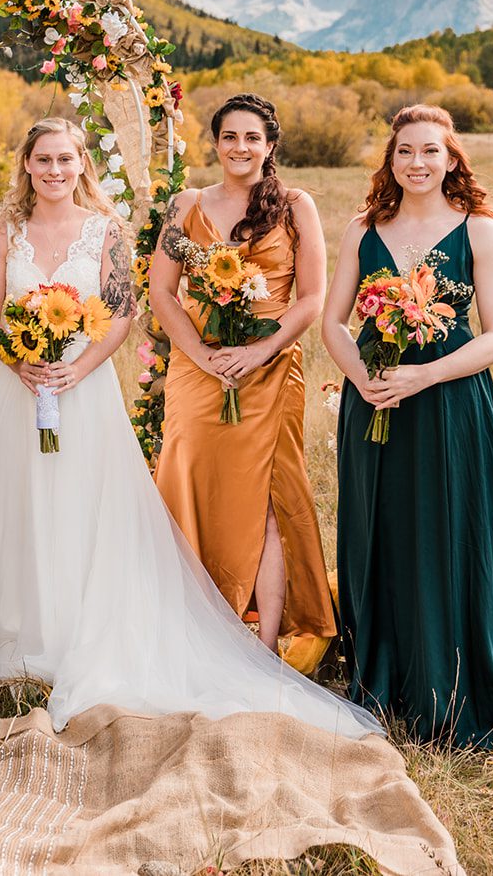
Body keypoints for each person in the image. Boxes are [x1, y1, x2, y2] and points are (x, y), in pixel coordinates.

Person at [0, 118, 381, 738]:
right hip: (22, 390)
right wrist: (19, 356)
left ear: (83, 165)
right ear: (25, 164)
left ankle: (141, 628)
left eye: (65, 159)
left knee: (90, 505)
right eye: (42, 160)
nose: (53, 170)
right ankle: (26, 632)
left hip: (96, 387)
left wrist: (75, 367)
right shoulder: (1, 234)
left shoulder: (109, 231)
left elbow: (122, 312)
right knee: (19, 504)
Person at [320, 104, 493, 748]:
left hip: (449, 402)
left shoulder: (480, 231)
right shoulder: (363, 228)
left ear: (451, 158)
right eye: (404, 152)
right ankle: (386, 674)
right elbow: (334, 320)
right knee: (381, 528)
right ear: (390, 160)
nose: (417, 163)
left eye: (430, 152)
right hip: (376, 398)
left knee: (448, 528)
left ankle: (454, 674)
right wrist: (362, 377)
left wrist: (425, 375)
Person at [150, 94, 336, 665]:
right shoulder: (185, 205)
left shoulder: (296, 206)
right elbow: (162, 292)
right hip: (196, 371)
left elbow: (311, 298)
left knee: (270, 499)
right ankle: (190, 625)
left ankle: (263, 644)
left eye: (252, 137)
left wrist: (262, 349)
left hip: (272, 371)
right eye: (230, 137)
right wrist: (203, 356)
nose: (240, 147)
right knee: (191, 484)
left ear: (270, 145)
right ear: (215, 142)